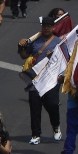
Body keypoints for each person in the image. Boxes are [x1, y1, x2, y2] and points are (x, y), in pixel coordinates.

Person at [18, 16, 63, 145]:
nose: (46, 28)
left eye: (49, 26)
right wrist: (21, 46)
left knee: (52, 105)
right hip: (36, 79)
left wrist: (62, 75)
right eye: (44, 26)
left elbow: (66, 61)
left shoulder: (59, 43)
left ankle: (56, 126)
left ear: (53, 28)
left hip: (51, 79)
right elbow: (24, 55)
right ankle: (36, 134)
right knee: (35, 106)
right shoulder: (35, 42)